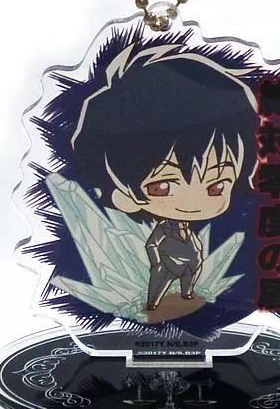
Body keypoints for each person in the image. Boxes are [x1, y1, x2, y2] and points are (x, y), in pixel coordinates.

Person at [72, 43, 259, 310]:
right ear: (123, 195)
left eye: (217, 186)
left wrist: (196, 258)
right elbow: (153, 244)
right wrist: (158, 261)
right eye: (162, 186)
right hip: (166, 264)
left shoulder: (185, 229)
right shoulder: (163, 229)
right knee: (158, 285)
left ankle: (186, 296)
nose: (193, 203)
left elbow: (192, 243)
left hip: (189, 264)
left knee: (187, 284)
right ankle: (153, 304)